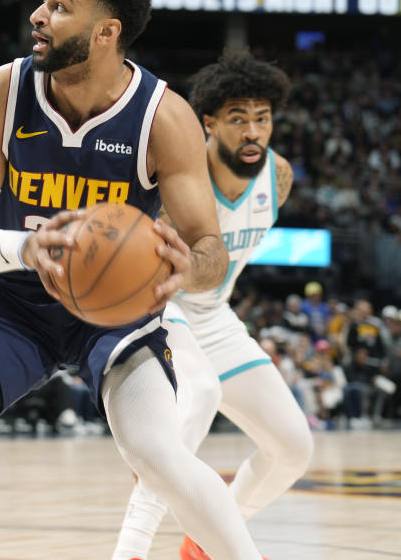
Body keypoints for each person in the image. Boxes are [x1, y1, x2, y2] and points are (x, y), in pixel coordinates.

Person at [0, 0, 264, 560]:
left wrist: (185, 269)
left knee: (158, 455)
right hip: (12, 299)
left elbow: (210, 253)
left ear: (106, 32)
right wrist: (27, 246)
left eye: (59, 7)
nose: (38, 16)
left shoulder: (162, 116)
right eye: (44, 2)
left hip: (118, 310)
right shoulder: (1, 93)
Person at [111, 52, 313, 560]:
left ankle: (209, 539)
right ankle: (131, 549)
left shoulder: (279, 177)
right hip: (160, 306)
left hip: (215, 314)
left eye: (262, 118)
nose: (253, 131)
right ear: (208, 122)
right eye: (238, 118)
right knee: (198, 392)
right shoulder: (180, 166)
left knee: (293, 447)